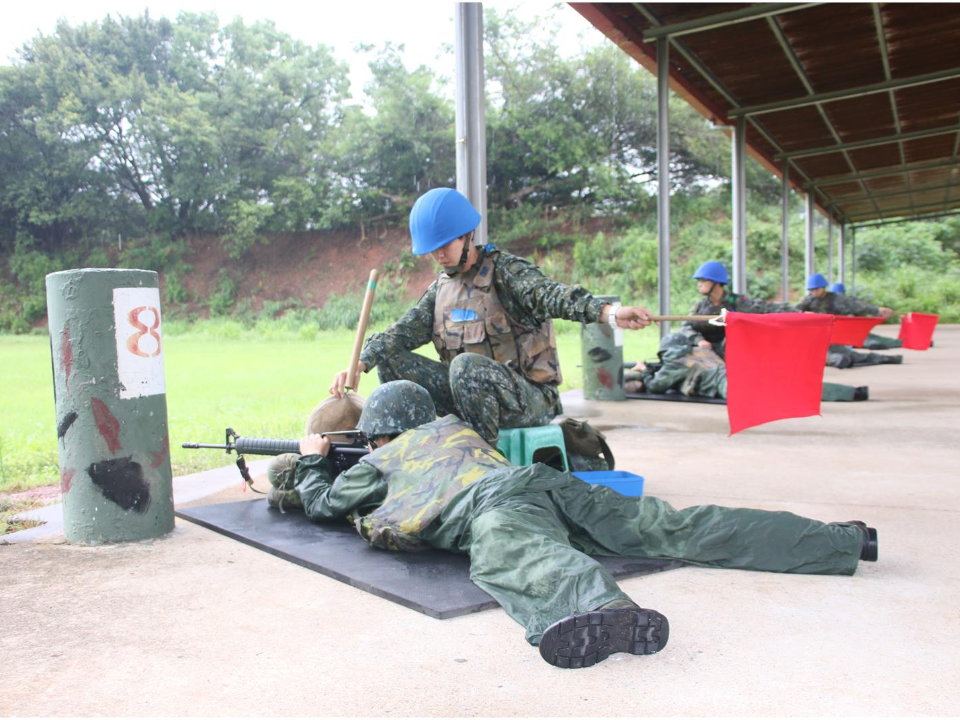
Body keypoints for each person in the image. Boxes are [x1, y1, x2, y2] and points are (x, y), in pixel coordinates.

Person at [273, 379, 879, 669]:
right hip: (545, 483)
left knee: (526, 560)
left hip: (496, 508)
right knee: (673, 525)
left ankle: (599, 610)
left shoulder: (379, 459)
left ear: (378, 432)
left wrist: (309, 460)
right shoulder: (453, 427)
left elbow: (323, 504)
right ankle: (839, 541)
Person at [329, 187, 655, 445]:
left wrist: (609, 312)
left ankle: (483, 459)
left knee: (465, 366)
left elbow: (553, 295)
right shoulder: (441, 289)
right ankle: (420, 449)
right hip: (469, 398)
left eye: (446, 243)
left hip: (528, 399)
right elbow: (401, 332)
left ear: (467, 235)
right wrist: (361, 362)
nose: (439, 254)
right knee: (391, 359)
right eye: (433, 248)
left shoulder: (505, 272)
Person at [625, 333, 869, 401]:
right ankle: (853, 392)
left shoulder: (675, 362)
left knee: (779, 394)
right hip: (739, 371)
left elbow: (656, 385)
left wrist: (643, 370)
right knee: (793, 387)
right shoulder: (701, 350)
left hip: (727, 384)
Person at [678, 261, 795, 359]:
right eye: (699, 281)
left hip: (731, 354)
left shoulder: (736, 302)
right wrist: (699, 341)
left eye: (703, 280)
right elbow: (686, 327)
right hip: (706, 352)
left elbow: (768, 308)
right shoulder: (700, 307)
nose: (699, 284)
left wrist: (799, 313)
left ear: (716, 283)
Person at [829, 282, 903, 350]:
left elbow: (862, 313)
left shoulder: (851, 303)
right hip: (841, 334)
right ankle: (872, 344)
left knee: (869, 339)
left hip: (854, 332)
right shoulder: (826, 305)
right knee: (865, 340)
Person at [798, 274, 894, 318]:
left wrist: (876, 310)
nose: (813, 292)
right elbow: (796, 310)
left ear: (822, 288)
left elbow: (855, 306)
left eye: (815, 290)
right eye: (811, 290)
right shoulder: (809, 300)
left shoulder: (836, 299)